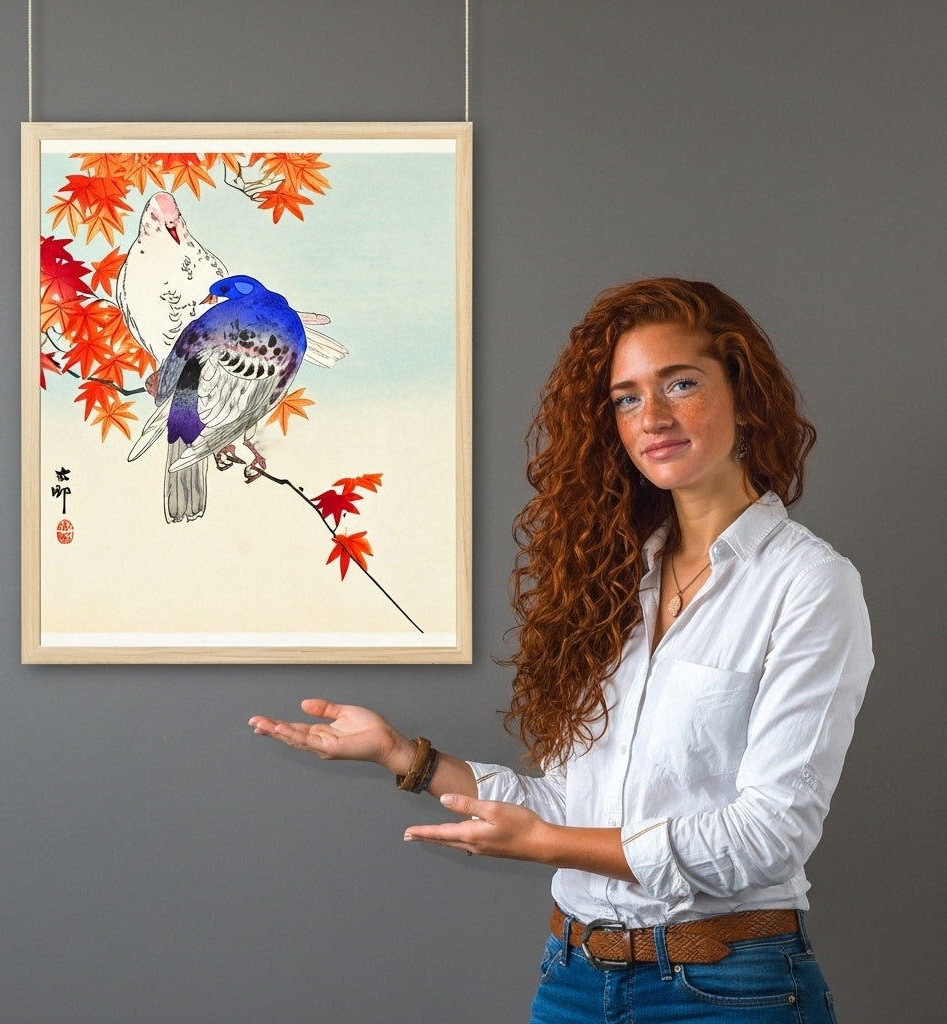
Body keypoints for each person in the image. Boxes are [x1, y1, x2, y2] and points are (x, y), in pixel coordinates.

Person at [249, 278, 873, 1024]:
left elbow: (769, 835)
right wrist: (404, 758)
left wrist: (548, 844)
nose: (656, 417)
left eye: (681, 383)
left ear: (746, 394)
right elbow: (571, 810)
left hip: (730, 987)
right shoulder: (614, 583)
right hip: (575, 980)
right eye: (628, 397)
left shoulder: (809, 584)